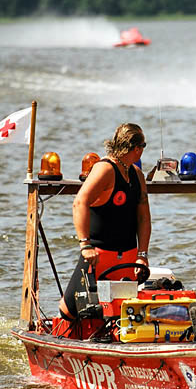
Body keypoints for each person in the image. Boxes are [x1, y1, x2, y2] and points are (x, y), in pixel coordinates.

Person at [59, 123, 151, 320]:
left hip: (128, 256)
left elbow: (144, 216)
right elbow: (80, 202)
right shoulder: (105, 169)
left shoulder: (137, 174)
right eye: (143, 145)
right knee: (69, 311)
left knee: (120, 312)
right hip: (98, 255)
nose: (143, 150)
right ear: (136, 148)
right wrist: (85, 245)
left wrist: (142, 254)